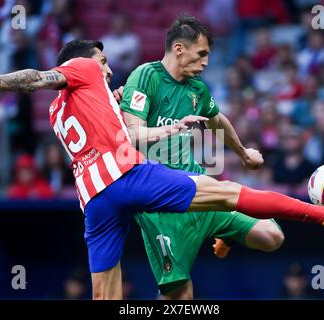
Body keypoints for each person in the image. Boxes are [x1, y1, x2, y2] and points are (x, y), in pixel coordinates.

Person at [0, 39, 324, 300]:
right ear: (81, 61)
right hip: (127, 178)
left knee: (105, 293)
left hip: (94, 201)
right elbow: (36, 77)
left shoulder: (61, 111)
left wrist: (161, 124)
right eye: (102, 61)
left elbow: (118, 132)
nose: (108, 68)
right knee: (226, 191)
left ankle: (227, 231)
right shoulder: (79, 67)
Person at [118, 16, 284, 299]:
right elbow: (131, 136)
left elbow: (217, 120)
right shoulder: (146, 76)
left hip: (200, 192)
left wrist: (243, 154)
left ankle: (227, 233)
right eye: (202, 54)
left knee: (272, 236)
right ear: (179, 49)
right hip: (160, 205)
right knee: (181, 297)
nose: (206, 62)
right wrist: (171, 128)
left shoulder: (197, 89)